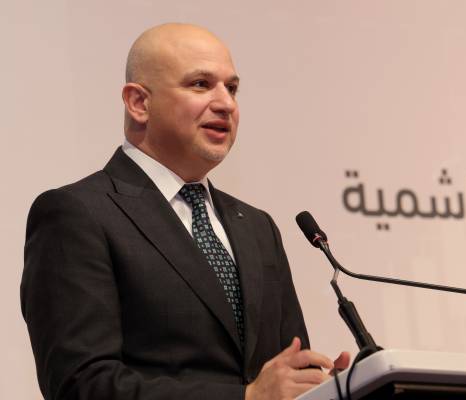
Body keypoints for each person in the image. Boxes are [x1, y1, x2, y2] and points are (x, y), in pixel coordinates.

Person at [21, 23, 349, 400]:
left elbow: (283, 374)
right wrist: (245, 398)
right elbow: (80, 385)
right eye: (200, 84)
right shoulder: (77, 214)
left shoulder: (257, 227)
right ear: (139, 103)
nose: (226, 103)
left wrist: (329, 388)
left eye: (232, 88)